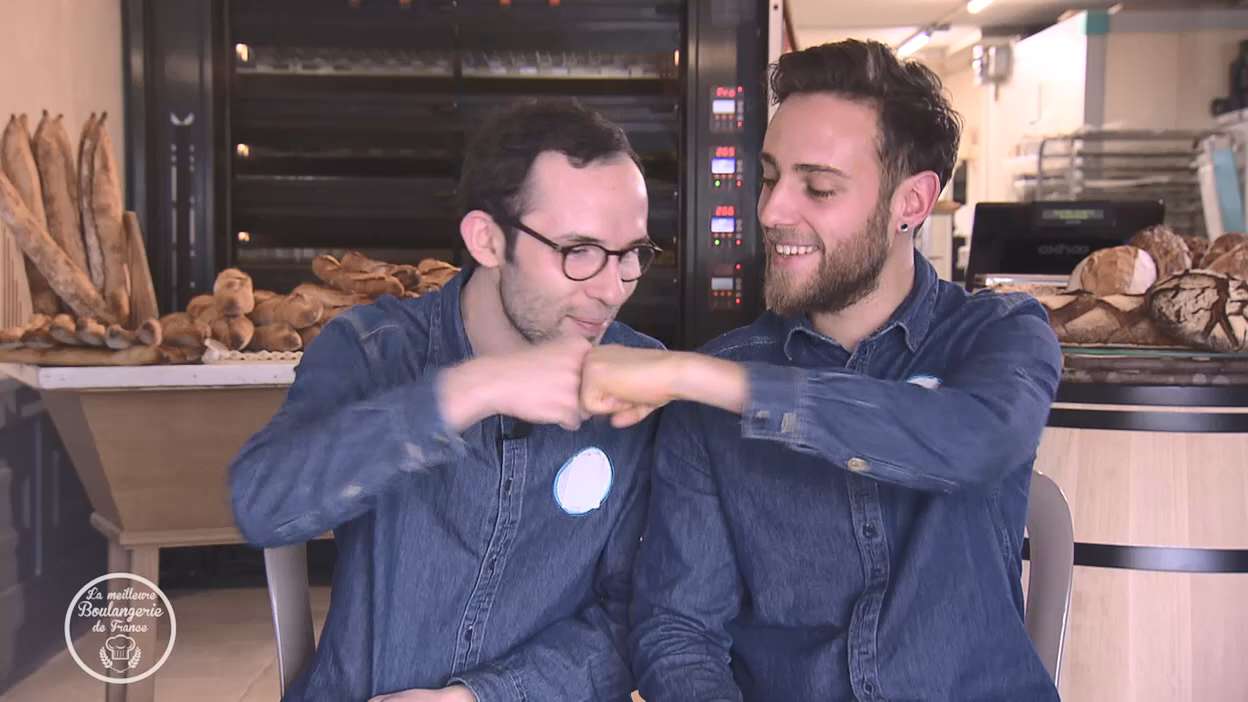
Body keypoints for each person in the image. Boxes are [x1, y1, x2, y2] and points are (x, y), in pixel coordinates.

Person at [580, 40, 1064, 701]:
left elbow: (971, 442)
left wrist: (698, 381)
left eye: (819, 187)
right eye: (770, 177)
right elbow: (678, 631)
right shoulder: (717, 380)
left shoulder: (999, 333)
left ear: (911, 202)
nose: (773, 212)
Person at [229, 98, 664, 702]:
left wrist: (479, 697)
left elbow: (636, 620)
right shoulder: (373, 349)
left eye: (632, 254)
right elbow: (262, 505)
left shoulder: (638, 384)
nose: (613, 288)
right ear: (487, 240)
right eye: (579, 252)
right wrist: (469, 389)